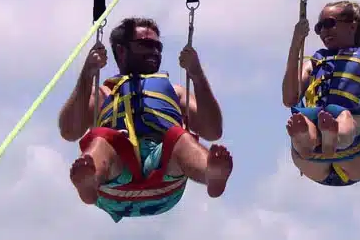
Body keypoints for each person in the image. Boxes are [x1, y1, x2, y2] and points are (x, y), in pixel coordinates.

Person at [58, 16, 233, 222]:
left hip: (165, 181)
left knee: (180, 137)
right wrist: (87, 75)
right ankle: (90, 181)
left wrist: (196, 74)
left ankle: (210, 175)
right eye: (146, 45)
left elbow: (213, 131)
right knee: (103, 138)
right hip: (114, 186)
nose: (154, 52)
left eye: (158, 47)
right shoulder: (103, 95)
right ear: (121, 51)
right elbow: (69, 131)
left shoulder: (176, 93)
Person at [281, 0, 360, 187]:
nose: (324, 31)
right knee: (305, 122)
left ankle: (336, 137)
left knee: (346, 119)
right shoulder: (314, 63)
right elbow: (289, 98)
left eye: (329, 24)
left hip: (356, 155)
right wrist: (296, 44)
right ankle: (307, 141)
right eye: (319, 27)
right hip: (313, 159)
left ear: (352, 26)